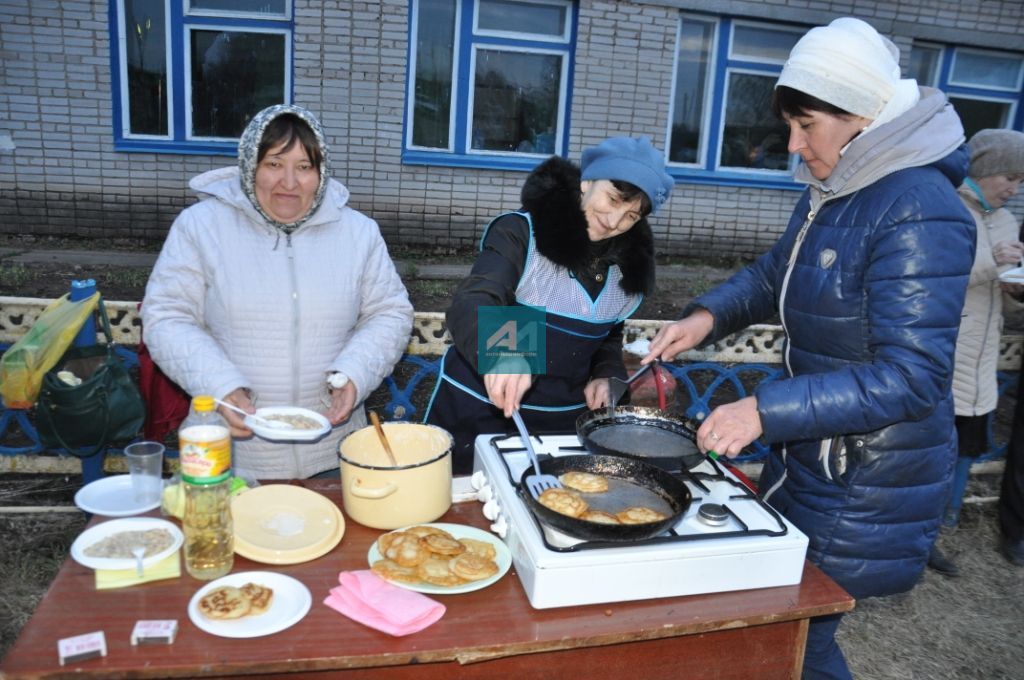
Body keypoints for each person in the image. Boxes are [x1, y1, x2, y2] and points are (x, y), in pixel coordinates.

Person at [644, 18, 975, 679]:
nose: (795, 147)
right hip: (818, 450)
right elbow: (775, 275)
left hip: (866, 473)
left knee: (800, 636)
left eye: (807, 125)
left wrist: (763, 411)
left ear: (864, 115)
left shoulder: (919, 206)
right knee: (784, 628)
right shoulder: (842, 187)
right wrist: (707, 317)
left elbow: (912, 377)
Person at [142, 104, 413, 479]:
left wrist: (355, 373)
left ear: (321, 173)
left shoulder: (359, 233)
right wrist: (220, 386)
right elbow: (167, 317)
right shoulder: (201, 227)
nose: (289, 182)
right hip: (230, 454)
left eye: (304, 167)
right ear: (250, 165)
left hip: (332, 452)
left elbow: (390, 313)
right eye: (273, 164)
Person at [425, 136, 674, 474]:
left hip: (559, 424)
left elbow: (608, 333)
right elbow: (480, 296)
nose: (615, 221)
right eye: (613, 199)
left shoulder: (625, 270)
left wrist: (606, 374)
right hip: (482, 409)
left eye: (630, 215)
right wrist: (509, 355)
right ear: (586, 182)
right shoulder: (524, 232)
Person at [929, 129, 1024, 577]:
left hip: (983, 361)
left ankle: (942, 524)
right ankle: (919, 536)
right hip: (944, 355)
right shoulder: (947, 208)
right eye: (1010, 176)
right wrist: (993, 265)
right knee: (928, 453)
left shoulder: (1006, 221)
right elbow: (935, 276)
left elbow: (1000, 296)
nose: (1014, 188)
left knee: (965, 448)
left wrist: (1015, 289)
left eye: (1021, 181)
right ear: (984, 170)